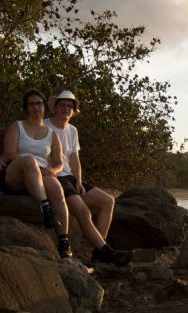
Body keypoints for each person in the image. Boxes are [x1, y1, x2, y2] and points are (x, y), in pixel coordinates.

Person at [45, 90, 132, 266]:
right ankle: (106, 251)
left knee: (107, 201)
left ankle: (99, 251)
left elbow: (75, 159)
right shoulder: (45, 126)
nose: (66, 109)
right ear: (55, 107)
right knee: (83, 210)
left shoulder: (73, 130)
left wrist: (78, 181)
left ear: (73, 111)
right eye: (62, 105)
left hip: (69, 176)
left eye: (70, 106)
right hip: (54, 176)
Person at [0, 89, 73, 259]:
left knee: (56, 187)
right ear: (26, 107)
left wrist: (53, 171)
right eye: (32, 104)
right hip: (17, 172)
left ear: (44, 106)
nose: (36, 107)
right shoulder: (17, 126)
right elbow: (9, 153)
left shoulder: (52, 134)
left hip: (39, 177)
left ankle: (63, 241)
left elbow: (59, 162)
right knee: (30, 161)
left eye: (39, 103)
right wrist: (35, 168)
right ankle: (46, 210)